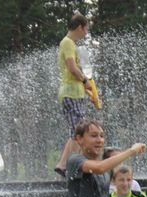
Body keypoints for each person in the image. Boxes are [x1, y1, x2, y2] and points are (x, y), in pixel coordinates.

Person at [54, 13, 92, 177]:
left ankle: (64, 165)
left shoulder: (71, 44)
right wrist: (85, 81)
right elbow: (72, 67)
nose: (86, 33)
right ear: (79, 27)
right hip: (70, 94)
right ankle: (68, 166)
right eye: (86, 29)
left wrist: (86, 88)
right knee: (79, 133)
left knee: (77, 131)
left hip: (76, 94)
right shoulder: (68, 43)